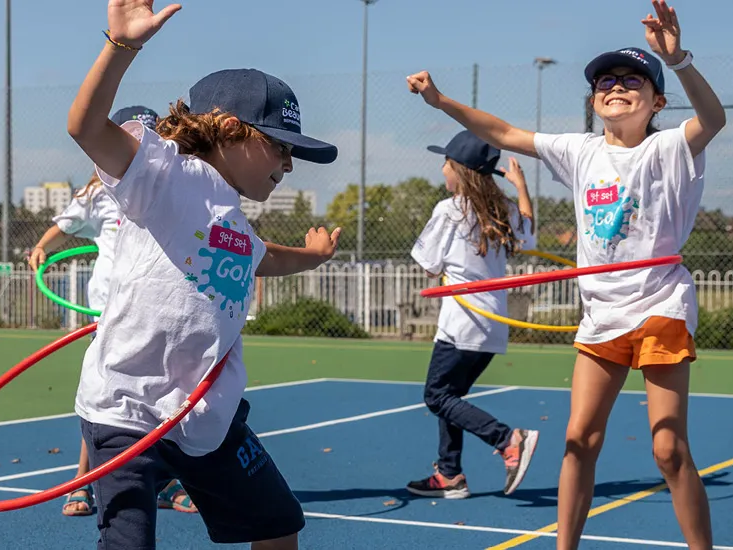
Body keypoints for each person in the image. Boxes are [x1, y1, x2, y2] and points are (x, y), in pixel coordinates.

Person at [404, 1, 726, 547]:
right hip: (602, 313)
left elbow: (714, 120)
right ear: (593, 99)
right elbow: (502, 133)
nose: (616, 86)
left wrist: (678, 59)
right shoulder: (580, 152)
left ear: (656, 101)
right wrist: (439, 100)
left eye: (631, 79)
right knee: (578, 439)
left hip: (658, 304)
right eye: (605, 81)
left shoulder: (670, 148)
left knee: (669, 450)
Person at [65, 2, 342, 548]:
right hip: (128, 410)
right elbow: (85, 127)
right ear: (233, 130)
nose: (287, 165)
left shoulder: (233, 218)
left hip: (202, 415)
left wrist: (314, 256)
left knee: (279, 524)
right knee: (128, 542)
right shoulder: (166, 174)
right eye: (281, 148)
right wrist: (121, 46)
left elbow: (265, 258)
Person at [29, 105, 199, 517]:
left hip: (155, 314)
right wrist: (41, 247)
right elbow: (65, 225)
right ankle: (82, 483)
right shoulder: (98, 195)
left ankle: (167, 480)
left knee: (166, 396)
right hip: (109, 313)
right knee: (104, 398)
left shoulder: (169, 192)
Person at [406, 131, 539, 499]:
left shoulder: (449, 210)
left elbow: (429, 265)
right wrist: (522, 187)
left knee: (437, 397)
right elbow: (528, 237)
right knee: (451, 395)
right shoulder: (504, 210)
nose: (442, 169)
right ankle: (450, 474)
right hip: (492, 325)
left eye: (446, 163)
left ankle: (508, 439)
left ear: (461, 171)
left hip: (461, 324)